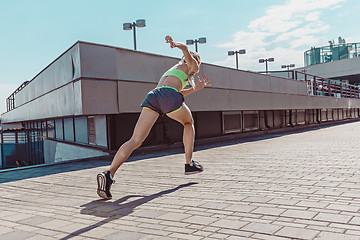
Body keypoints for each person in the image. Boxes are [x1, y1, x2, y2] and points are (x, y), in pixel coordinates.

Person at [97, 36, 211, 199]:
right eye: (197, 64)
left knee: (135, 140)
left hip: (153, 96)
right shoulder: (190, 64)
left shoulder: (174, 70)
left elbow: (175, 92)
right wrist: (181, 47)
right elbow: (187, 55)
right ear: (195, 61)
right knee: (188, 122)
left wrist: (196, 88)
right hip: (167, 96)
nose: (197, 68)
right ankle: (189, 163)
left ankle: (109, 174)